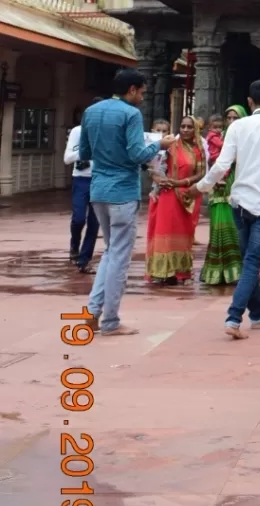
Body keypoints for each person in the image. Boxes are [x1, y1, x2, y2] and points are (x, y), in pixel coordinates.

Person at [194, 79, 260, 337]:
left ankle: (258, 315)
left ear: (249, 102)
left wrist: (203, 186)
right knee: (251, 262)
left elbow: (221, 165)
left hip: (239, 201)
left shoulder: (237, 126)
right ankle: (233, 318)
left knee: (247, 261)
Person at [78, 67, 167, 336]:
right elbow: (138, 153)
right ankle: (110, 320)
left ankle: (93, 311)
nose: (142, 96)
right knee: (118, 257)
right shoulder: (131, 114)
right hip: (122, 191)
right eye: (142, 91)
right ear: (132, 90)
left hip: (98, 190)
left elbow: (84, 152)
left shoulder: (91, 112)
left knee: (110, 252)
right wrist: (161, 144)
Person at [144, 115, 205, 284]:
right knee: (164, 232)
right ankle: (161, 271)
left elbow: (201, 173)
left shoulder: (198, 149)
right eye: (183, 126)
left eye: (189, 127)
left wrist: (180, 182)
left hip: (186, 196)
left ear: (196, 130)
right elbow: (153, 164)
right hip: (167, 194)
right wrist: (158, 179)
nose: (185, 130)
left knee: (183, 235)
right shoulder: (170, 146)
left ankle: (181, 272)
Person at [200, 104, 247, 286]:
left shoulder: (246, 137)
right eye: (229, 118)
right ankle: (216, 272)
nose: (232, 122)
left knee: (238, 229)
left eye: (236, 118)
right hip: (221, 186)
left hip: (239, 185)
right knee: (219, 227)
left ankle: (236, 272)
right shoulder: (220, 137)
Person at [64, 102, 101, 272]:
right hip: (81, 179)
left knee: (94, 223)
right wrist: (85, 150)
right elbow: (67, 158)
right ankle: (74, 245)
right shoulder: (77, 131)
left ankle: (84, 261)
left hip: (100, 179)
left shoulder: (106, 132)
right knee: (79, 218)